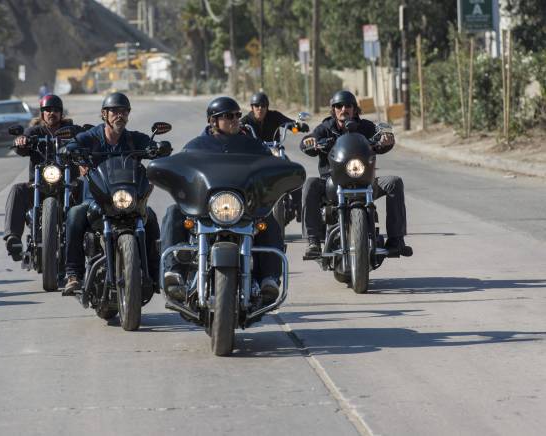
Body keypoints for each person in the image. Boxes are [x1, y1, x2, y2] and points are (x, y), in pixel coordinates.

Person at [160, 96, 284, 304]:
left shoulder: (252, 146)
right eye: (228, 116)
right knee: (174, 212)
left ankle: (269, 279)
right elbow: (183, 171)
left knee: (268, 220)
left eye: (236, 115)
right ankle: (174, 273)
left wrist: (279, 171)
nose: (235, 119)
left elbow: (270, 168)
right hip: (207, 209)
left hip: (243, 209)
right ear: (213, 121)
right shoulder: (197, 145)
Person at [63, 92, 162, 296]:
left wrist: (158, 148)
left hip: (129, 200)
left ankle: (155, 275)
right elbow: (72, 145)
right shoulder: (92, 138)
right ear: (104, 114)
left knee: (150, 218)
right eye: (115, 111)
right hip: (97, 200)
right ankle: (73, 274)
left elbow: (152, 145)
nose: (120, 115)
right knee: (74, 215)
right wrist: (75, 155)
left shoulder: (134, 139)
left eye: (124, 111)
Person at [300, 90, 412, 258]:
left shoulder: (365, 127)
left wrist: (386, 141)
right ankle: (313, 241)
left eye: (348, 105)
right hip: (332, 182)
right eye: (339, 106)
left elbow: (380, 138)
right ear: (333, 109)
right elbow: (309, 140)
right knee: (310, 184)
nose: (343, 109)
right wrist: (309, 142)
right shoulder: (325, 128)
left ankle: (396, 240)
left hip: (365, 180)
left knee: (394, 182)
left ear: (354, 109)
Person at [3, 94, 73, 260]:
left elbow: (85, 138)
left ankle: (96, 241)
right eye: (47, 110)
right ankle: (13, 238)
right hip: (38, 184)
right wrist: (21, 141)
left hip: (68, 184)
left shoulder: (70, 130)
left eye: (56, 110)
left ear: (61, 113)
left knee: (86, 189)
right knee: (17, 190)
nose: (51, 113)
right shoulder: (34, 132)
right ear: (42, 113)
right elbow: (23, 144)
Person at [241, 91, 303, 223]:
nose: (260, 108)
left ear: (267, 107)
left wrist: (298, 126)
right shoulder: (246, 121)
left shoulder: (274, 116)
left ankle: (299, 207)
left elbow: (290, 124)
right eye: (257, 105)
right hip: (254, 158)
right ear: (252, 107)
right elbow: (236, 130)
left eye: (263, 106)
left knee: (292, 171)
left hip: (274, 153)